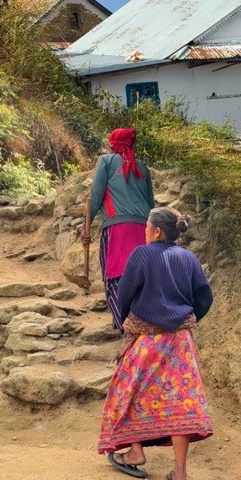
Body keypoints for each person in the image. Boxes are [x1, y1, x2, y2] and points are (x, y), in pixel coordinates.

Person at [97, 207, 213, 480]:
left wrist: (125, 322)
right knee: (181, 402)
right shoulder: (188, 258)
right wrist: (187, 317)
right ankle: (181, 474)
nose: (145, 231)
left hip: (147, 339)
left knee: (129, 391)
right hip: (180, 342)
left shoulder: (141, 254)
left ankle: (136, 453)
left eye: (147, 226)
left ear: (157, 231)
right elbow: (204, 297)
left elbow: (124, 293)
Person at [82, 128, 154, 330]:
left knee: (115, 276)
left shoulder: (105, 161)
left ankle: (126, 326)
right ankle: (142, 322)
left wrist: (85, 227)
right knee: (141, 278)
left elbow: (95, 195)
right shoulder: (143, 167)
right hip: (144, 229)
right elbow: (151, 203)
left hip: (117, 227)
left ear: (112, 144)